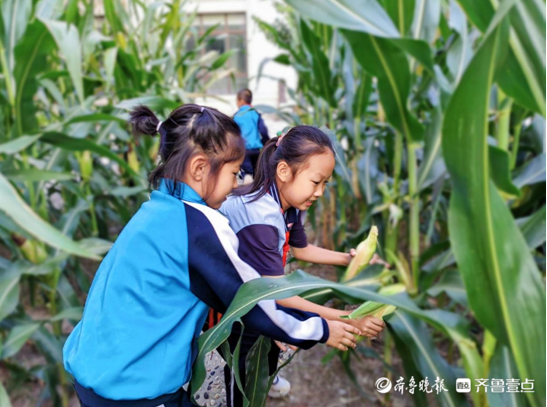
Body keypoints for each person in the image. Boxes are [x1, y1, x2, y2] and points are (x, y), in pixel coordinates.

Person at [63, 106, 362, 407]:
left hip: (93, 366)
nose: (235, 184)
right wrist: (322, 329)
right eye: (233, 173)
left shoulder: (154, 209)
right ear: (199, 168)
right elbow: (250, 301)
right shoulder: (199, 226)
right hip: (134, 388)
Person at [220, 125, 386, 406]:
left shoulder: (290, 203)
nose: (320, 192)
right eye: (316, 182)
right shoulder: (260, 218)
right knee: (244, 360)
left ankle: (263, 379)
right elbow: (279, 294)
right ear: (284, 171)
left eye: (325, 184)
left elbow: (302, 249)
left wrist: (351, 259)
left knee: (269, 345)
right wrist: (345, 318)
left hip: (258, 290)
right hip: (236, 304)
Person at [233, 89, 269, 181]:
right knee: (257, 173)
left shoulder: (237, 116)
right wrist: (265, 142)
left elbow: (233, 134)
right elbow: (263, 131)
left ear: (241, 101)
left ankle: (248, 190)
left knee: (247, 174)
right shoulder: (255, 113)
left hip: (244, 150)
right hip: (256, 150)